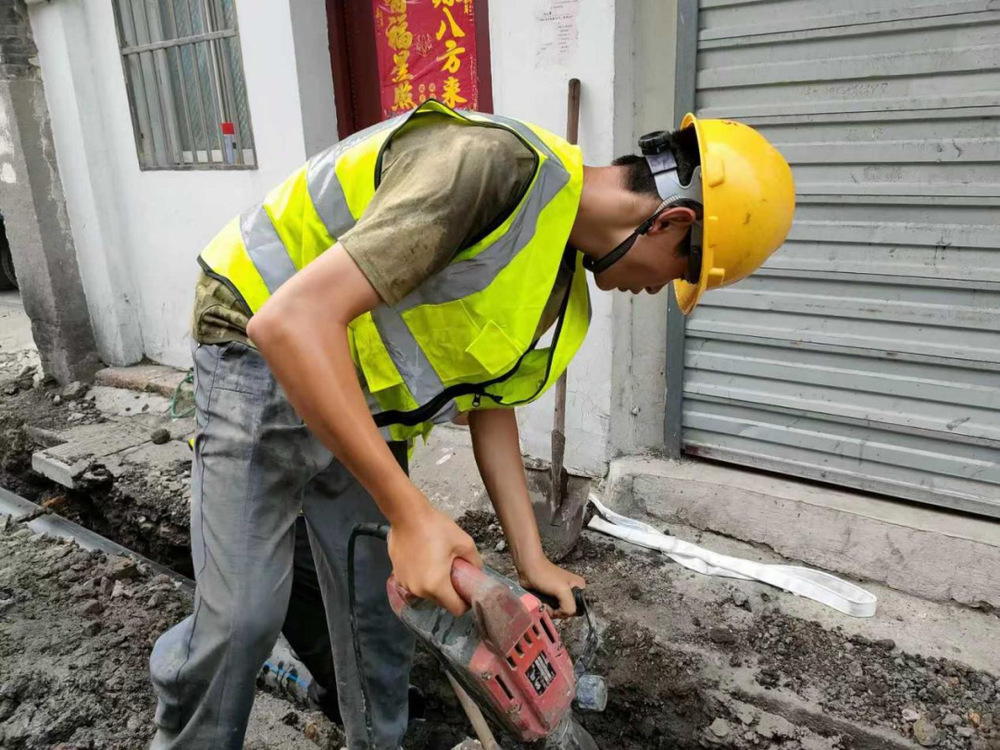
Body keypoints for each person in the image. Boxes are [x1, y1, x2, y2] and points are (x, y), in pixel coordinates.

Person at [149, 99, 794, 750]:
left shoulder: (555, 275)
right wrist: (410, 515)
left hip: (351, 385)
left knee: (376, 617)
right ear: (672, 222)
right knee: (241, 619)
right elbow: (290, 323)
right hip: (254, 341)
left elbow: (491, 402)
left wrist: (530, 557)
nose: (660, 291)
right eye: (680, 273)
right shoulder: (487, 168)